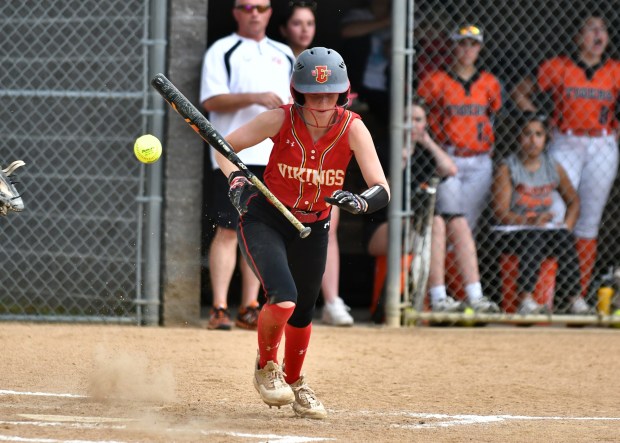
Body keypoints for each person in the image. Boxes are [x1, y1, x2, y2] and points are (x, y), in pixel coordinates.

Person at [215, 47, 389, 418]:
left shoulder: (352, 127)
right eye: (314, 93)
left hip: (314, 226)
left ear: (343, 94)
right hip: (267, 217)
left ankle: (295, 381)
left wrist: (359, 203)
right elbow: (224, 147)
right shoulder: (280, 119)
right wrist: (236, 179)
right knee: (283, 298)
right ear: (299, 93)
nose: (323, 102)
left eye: (330, 94)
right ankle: (266, 367)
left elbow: (381, 187)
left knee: (304, 313)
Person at [511, 14, 620, 306]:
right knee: (555, 211)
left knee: (589, 222)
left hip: (602, 143)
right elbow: (520, 92)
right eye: (591, 29)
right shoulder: (558, 67)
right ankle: (540, 297)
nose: (598, 35)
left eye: (603, 29)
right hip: (565, 141)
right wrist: (540, 123)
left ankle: (577, 299)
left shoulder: (614, 70)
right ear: (577, 37)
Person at [200, 0, 295, 330]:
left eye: (261, 7)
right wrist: (255, 97)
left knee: (260, 233)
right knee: (227, 230)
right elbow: (211, 100)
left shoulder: (285, 53)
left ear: (270, 12)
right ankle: (219, 307)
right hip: (232, 156)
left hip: (273, 159)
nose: (254, 13)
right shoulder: (223, 50)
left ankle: (250, 306)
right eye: (246, 7)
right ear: (236, 12)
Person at [417, 24, 502, 313]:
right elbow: (419, 112)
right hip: (448, 158)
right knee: (453, 220)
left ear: (480, 48)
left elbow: (497, 118)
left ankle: (460, 294)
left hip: (480, 159)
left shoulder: (489, 82)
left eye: (473, 44)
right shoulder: (436, 80)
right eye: (463, 44)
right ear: (454, 46)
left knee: (469, 228)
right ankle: (448, 295)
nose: (468, 50)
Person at [280, 0, 354, 326]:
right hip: (284, 150)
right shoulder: (276, 57)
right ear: (284, 28)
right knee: (271, 228)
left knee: (327, 223)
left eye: (310, 23)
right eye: (297, 23)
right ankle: (271, 299)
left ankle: (332, 300)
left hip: (320, 151)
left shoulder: (326, 63)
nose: (305, 29)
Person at [365, 100, 457, 319]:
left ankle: (437, 297)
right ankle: (396, 302)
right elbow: (376, 198)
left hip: (417, 227)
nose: (412, 125)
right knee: (425, 224)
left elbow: (450, 169)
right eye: (407, 120)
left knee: (439, 222)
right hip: (380, 227)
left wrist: (428, 142)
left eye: (418, 120)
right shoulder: (384, 149)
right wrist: (399, 168)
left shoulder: (425, 153)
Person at [491, 112, 586, 314]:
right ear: (518, 137)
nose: (533, 140)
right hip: (512, 232)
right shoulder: (508, 167)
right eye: (527, 134)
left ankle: (575, 299)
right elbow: (501, 212)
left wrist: (566, 226)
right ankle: (525, 299)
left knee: (563, 238)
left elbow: (574, 201)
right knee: (534, 236)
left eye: (538, 134)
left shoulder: (552, 166)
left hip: (543, 230)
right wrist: (529, 220)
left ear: (545, 138)